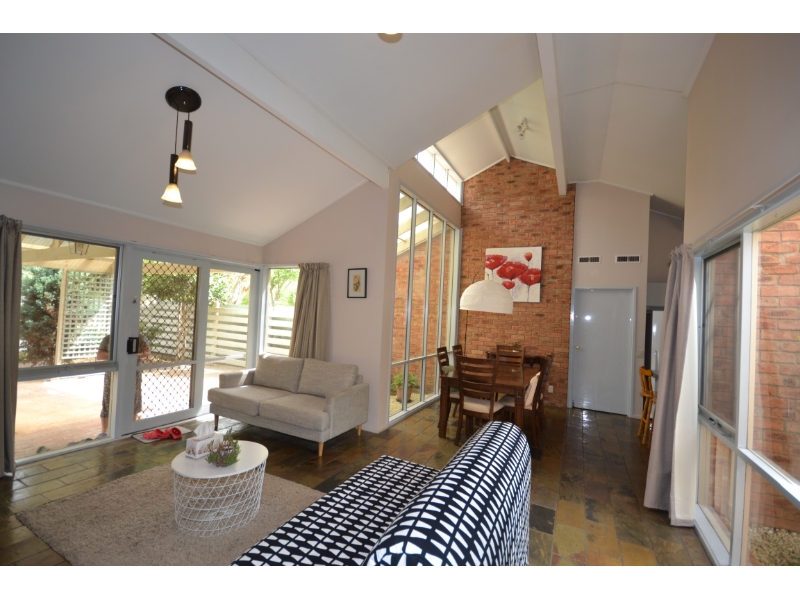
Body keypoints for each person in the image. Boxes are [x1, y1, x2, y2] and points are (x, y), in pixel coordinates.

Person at [97, 333, 151, 433]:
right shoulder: (109, 338)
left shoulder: (140, 338)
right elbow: (100, 355)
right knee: (109, 399)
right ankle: (105, 431)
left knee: (133, 399)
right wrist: (120, 356)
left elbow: (147, 353)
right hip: (113, 373)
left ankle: (129, 428)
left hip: (133, 372)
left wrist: (133, 356)